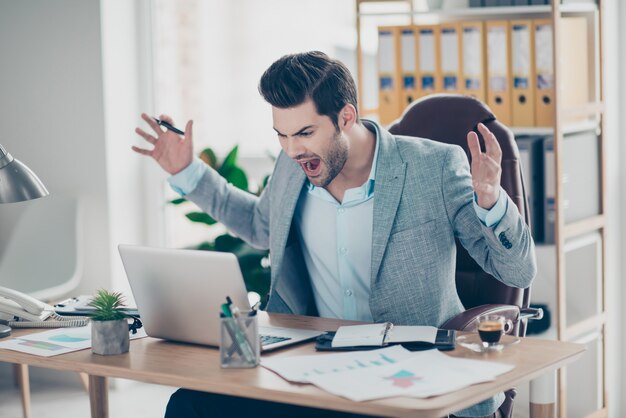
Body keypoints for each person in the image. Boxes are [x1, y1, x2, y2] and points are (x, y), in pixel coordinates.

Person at [133, 51, 536, 418]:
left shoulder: (434, 166)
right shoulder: (295, 164)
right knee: (190, 403)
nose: (291, 150)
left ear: (346, 117)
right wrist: (187, 173)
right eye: (281, 135)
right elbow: (259, 226)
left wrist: (492, 204)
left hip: (404, 371)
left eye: (305, 133)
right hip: (311, 364)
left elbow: (517, 273)